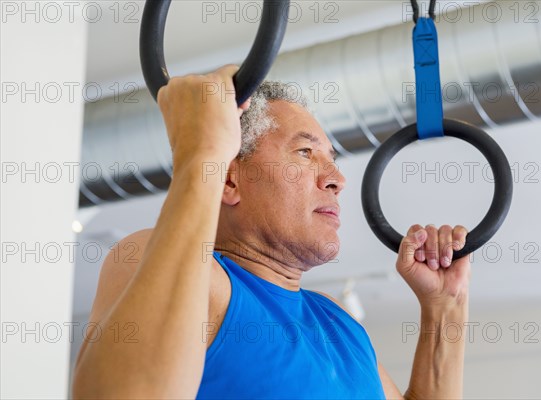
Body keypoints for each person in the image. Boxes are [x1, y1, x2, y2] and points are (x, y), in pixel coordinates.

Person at [72, 65, 471, 399]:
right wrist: (201, 154)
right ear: (230, 180)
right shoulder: (180, 272)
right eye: (304, 153)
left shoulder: (339, 324)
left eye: (330, 159)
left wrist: (445, 309)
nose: (337, 179)